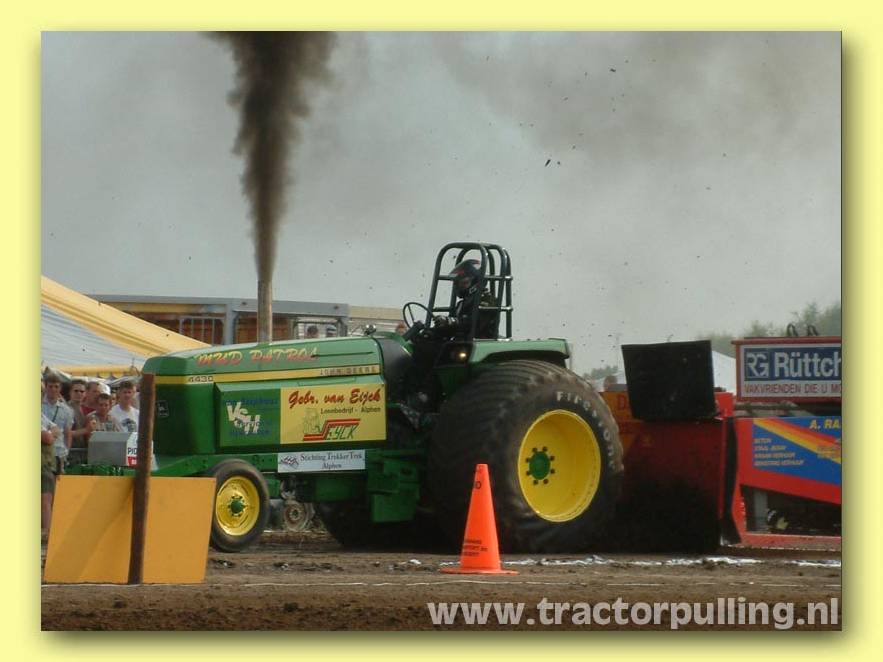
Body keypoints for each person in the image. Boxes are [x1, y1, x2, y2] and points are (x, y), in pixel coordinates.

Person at [42, 372, 74, 474]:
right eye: (50, 386)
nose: (53, 389)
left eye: (56, 386)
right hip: (42, 451)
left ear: (60, 388)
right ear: (46, 387)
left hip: (59, 452)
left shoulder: (67, 410)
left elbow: (68, 433)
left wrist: (66, 451)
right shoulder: (39, 406)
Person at [41, 412, 60, 537]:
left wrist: (50, 434)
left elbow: (57, 429)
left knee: (47, 499)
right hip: (41, 465)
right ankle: (45, 532)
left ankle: (46, 532)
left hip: (46, 465)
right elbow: (47, 438)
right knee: (45, 500)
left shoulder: (40, 415)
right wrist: (51, 435)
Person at [67, 379, 91, 464]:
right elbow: (65, 433)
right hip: (70, 453)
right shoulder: (66, 409)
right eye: (76, 391)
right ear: (70, 392)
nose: (79, 393)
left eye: (82, 391)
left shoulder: (84, 409)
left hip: (82, 453)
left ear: (85, 393)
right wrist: (86, 430)